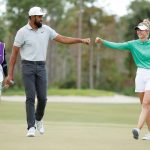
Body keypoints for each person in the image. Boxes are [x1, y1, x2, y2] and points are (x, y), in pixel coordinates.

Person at [5, 6, 90, 137]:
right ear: (32, 17)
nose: (41, 19)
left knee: (43, 98)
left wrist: (80, 40)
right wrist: (10, 74)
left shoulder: (46, 30)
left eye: (42, 16)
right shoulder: (22, 32)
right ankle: (31, 126)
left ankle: (38, 119)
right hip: (27, 66)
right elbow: (14, 54)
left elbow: (63, 39)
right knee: (30, 97)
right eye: (39, 17)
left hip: (41, 67)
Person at [95, 19, 150, 140]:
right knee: (144, 106)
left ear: (148, 31)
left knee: (146, 104)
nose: (139, 32)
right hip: (140, 74)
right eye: (137, 30)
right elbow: (117, 46)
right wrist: (102, 41)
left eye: (141, 30)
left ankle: (137, 129)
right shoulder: (133, 44)